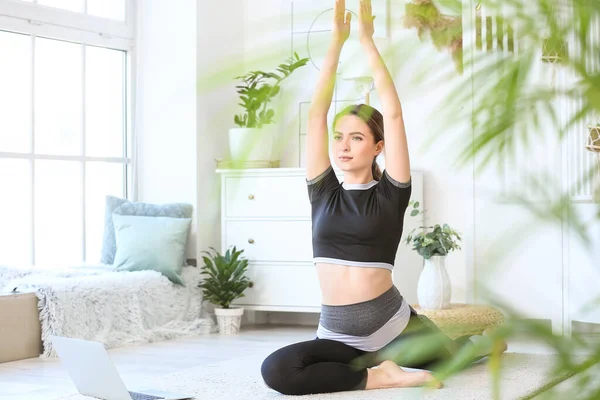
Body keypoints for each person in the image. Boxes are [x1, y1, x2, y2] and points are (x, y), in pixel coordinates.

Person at [260, 0, 506, 395]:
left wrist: (366, 41)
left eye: (356, 137)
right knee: (277, 371)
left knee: (459, 356)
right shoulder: (322, 191)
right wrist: (336, 43)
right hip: (337, 337)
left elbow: (393, 115)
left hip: (393, 328)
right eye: (339, 137)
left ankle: (480, 341)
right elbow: (314, 117)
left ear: (377, 147)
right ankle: (379, 376)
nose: (343, 146)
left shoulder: (391, 193)